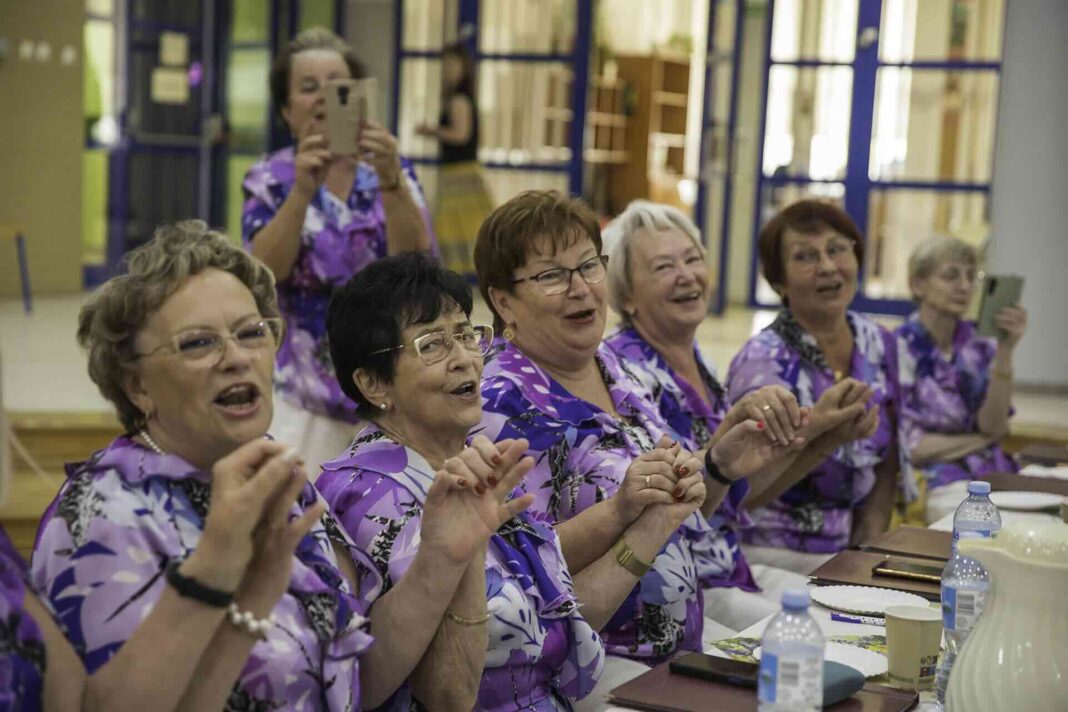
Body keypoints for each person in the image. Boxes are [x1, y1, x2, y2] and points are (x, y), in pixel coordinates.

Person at [30, 222, 524, 711]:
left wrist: (441, 557)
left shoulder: (275, 475)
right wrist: (216, 579)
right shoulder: (101, 518)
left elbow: (357, 683)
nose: (237, 358)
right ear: (136, 385)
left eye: (252, 333)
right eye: (199, 343)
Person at [472, 191, 803, 705]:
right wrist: (622, 512)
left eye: (588, 266)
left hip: (673, 646)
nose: (580, 288)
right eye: (552, 276)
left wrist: (717, 468)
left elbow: (676, 517)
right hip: (588, 662)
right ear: (503, 301)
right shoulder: (502, 405)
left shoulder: (616, 371)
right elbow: (523, 572)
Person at [321, 252, 645, 710]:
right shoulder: (372, 493)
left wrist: (654, 524)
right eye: (432, 344)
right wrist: (465, 555)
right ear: (375, 383)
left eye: (466, 335)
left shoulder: (472, 458)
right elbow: (447, 695)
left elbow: (557, 621)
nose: (465, 360)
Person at [601, 200, 869, 631]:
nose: (687, 275)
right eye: (664, 267)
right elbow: (671, 509)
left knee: (857, 620)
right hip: (685, 587)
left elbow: (736, 492)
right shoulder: (624, 373)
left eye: (693, 259)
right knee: (825, 636)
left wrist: (825, 438)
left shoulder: (697, 361)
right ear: (626, 295)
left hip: (730, 566)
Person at [242, 28, 434, 469]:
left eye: (339, 86)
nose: (326, 98)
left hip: (394, 385)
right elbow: (262, 276)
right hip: (302, 395)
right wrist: (301, 191)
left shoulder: (392, 168)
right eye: (309, 88)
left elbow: (417, 265)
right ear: (287, 110)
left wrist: (390, 178)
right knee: (301, 524)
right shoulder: (269, 178)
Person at [726, 200, 915, 575]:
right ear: (779, 281)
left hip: (852, 547)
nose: (828, 267)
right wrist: (819, 433)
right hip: (772, 551)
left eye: (837, 249)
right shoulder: (763, 360)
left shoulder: (879, 342)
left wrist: (868, 547)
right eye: (805, 257)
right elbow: (742, 493)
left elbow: (888, 461)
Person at [896, 236, 1027, 523]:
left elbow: (994, 425)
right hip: (936, 480)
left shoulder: (979, 345)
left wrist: (1005, 352)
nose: (965, 286)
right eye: (951, 275)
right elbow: (913, 449)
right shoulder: (898, 349)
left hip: (992, 473)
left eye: (971, 276)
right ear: (918, 284)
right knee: (1000, 529)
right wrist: (983, 439)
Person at [416, 42, 495, 276]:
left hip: (460, 172)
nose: (448, 69)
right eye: (445, 64)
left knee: (460, 226)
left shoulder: (459, 100)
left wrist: (432, 131)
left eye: (452, 64)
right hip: (456, 171)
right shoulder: (456, 98)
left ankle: (465, 274)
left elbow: (461, 135)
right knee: (455, 227)